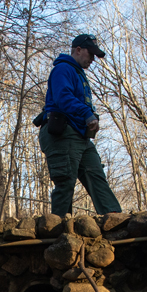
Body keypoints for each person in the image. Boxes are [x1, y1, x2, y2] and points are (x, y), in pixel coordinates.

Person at [38, 34, 122, 216]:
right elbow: (63, 98)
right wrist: (86, 114)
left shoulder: (78, 73)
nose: (92, 59)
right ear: (78, 50)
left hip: (79, 135)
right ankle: (59, 231)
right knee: (65, 181)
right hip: (62, 133)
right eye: (90, 54)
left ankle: (114, 220)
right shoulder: (63, 69)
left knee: (96, 175)